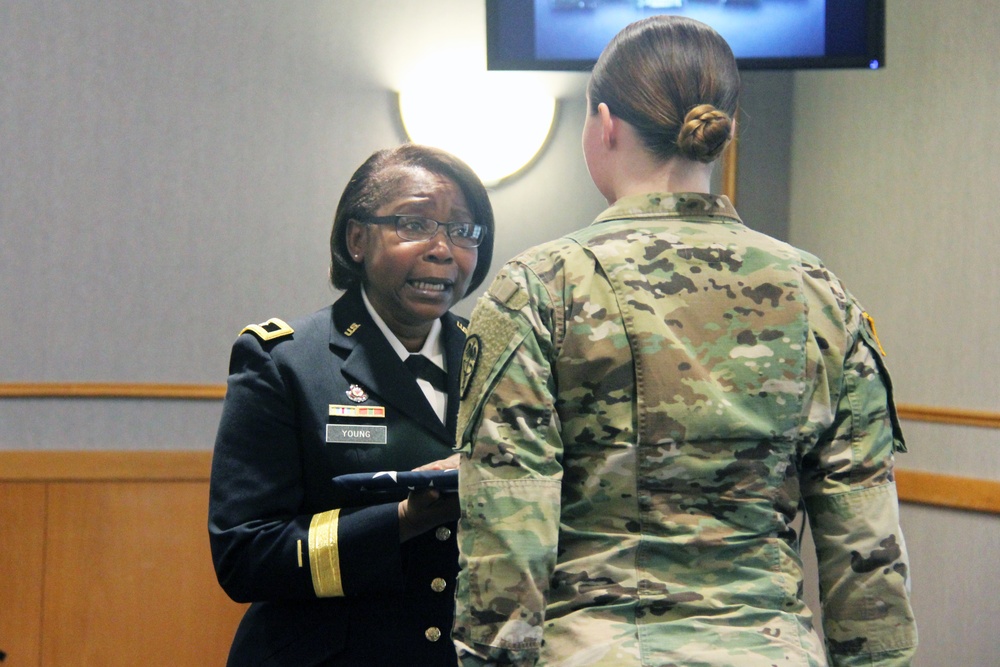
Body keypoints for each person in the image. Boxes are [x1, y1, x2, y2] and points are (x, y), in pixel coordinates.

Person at [451, 15, 917, 667]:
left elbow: (507, 548)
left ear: (604, 123)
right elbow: (867, 551)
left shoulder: (537, 289)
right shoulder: (821, 295)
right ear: (723, 131)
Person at [209, 143, 495, 666]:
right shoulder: (286, 360)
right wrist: (404, 517)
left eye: (463, 230)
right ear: (357, 238)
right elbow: (244, 556)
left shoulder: (499, 359)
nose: (442, 248)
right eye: (414, 224)